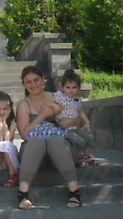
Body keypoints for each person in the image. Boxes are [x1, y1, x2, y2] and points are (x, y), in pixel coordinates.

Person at [15, 65, 83, 210]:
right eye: (29, 82)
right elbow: (24, 134)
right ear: (24, 85)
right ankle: (23, 193)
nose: (33, 85)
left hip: (61, 149)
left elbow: (78, 120)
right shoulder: (23, 104)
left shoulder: (57, 97)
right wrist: (43, 115)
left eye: (36, 80)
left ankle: (74, 191)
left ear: (43, 80)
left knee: (55, 140)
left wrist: (69, 122)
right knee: (36, 140)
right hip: (34, 153)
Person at [53, 69, 98, 168]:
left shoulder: (77, 100)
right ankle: (79, 158)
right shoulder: (59, 96)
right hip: (64, 129)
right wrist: (54, 107)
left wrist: (87, 122)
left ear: (78, 88)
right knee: (80, 141)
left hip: (76, 127)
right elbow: (48, 100)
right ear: (62, 87)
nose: (71, 90)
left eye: (74, 87)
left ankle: (86, 156)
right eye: (68, 87)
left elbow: (80, 112)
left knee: (89, 137)